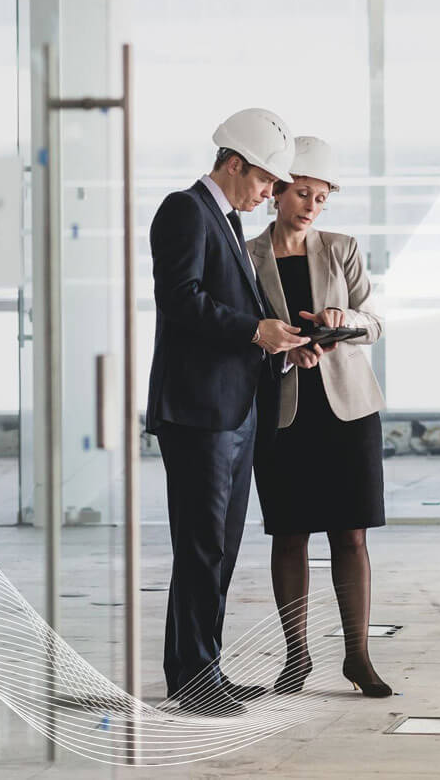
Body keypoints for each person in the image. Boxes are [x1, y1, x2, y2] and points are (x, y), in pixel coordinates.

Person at [146, 108, 306, 716]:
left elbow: (232, 305)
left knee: (220, 547)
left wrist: (284, 342)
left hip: (233, 411)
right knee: (202, 547)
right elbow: (180, 301)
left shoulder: (226, 219)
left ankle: (200, 670)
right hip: (199, 413)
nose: (271, 194)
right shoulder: (184, 210)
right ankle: (193, 681)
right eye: (266, 180)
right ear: (233, 164)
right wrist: (253, 331)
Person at [246, 136, 392, 698]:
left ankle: (357, 656)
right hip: (284, 413)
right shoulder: (247, 255)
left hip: (347, 410)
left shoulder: (341, 248)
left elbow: (374, 322)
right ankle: (296, 657)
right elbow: (245, 335)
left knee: (350, 536)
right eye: (303, 193)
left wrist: (343, 317)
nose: (312, 205)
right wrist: (281, 350)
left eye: (321, 197)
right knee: (289, 534)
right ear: (276, 192)